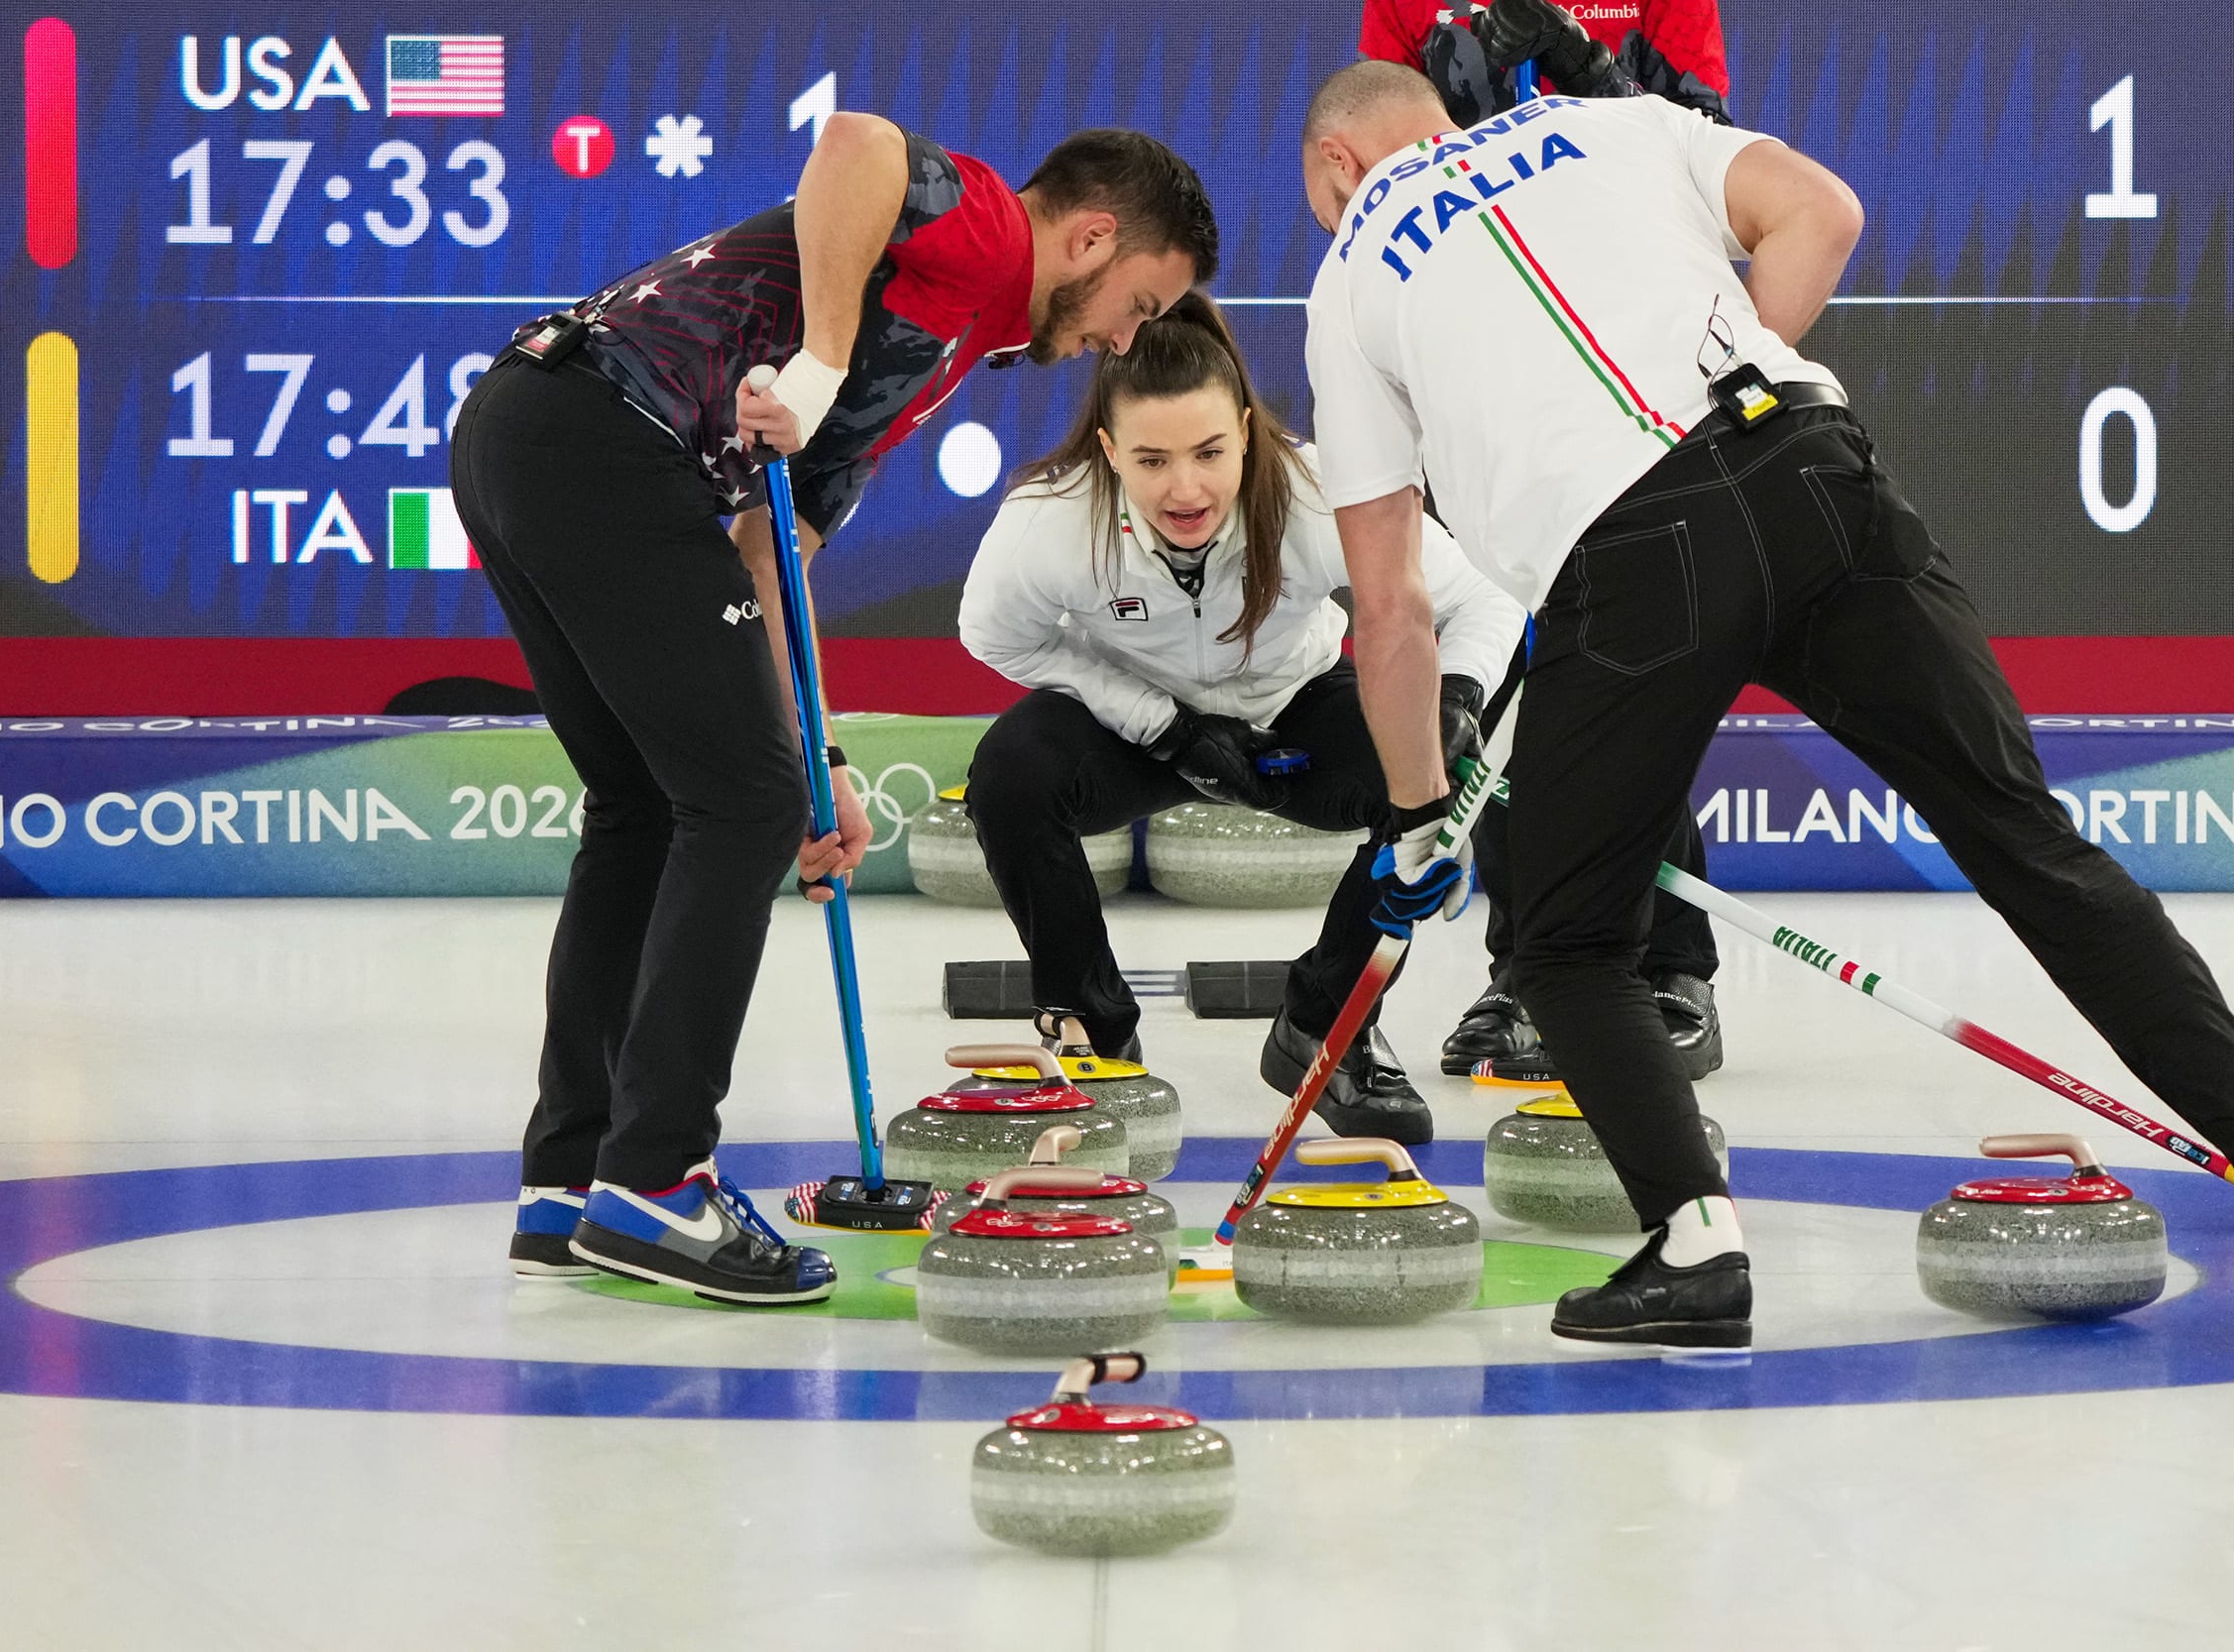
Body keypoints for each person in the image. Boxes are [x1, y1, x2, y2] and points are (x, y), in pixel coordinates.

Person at [1295, 61, 2234, 1345]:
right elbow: (1826, 211)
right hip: (1815, 469)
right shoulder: (1615, 121)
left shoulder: (1354, 268)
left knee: (1565, 936)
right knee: (2030, 843)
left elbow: (1390, 610)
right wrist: (1730, 387)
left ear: (1336, 167)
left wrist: (1424, 810)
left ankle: (1696, 1249)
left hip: (1632, 561)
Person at [456, 118, 1216, 1303]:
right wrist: (816, 356)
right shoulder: (980, 234)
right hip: (604, 437)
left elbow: (771, 546)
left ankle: (571, 1184)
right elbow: (854, 145)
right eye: (1142, 302)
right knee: (732, 805)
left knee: (651, 808)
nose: (1128, 338)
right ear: (1090, 235)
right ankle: (657, 1179)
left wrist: (819, 759)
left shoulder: (947, 345)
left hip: (526, 430)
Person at [957, 293, 1525, 1144]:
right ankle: (1092, 1034)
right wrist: (1167, 727)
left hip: (1292, 711)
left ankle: (1325, 1027)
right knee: (1009, 777)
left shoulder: (1316, 492)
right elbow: (992, 635)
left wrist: (1451, 701)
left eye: (1211, 452)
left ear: (1251, 433)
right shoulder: (1050, 520)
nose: (1185, 487)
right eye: (1150, 459)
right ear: (1109, 451)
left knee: (1417, 790)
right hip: (1135, 730)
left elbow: (1483, 595)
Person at [1363, 0, 1731, 1082]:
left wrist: (1578, 60)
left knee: (1621, 663)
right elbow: (1389, 169)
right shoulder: (1406, 7)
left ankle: (1671, 965)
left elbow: (1703, 151)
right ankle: (1528, 960)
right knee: (1503, 664)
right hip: (1484, 343)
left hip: (1628, 341)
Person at [1358, 0, 1732, 129]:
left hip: (1624, 243)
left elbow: (1706, 140)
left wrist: (1586, 70)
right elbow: (1380, 152)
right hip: (1477, 252)